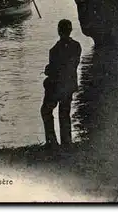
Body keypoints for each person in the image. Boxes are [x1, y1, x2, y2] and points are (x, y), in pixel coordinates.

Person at [40, 19, 81, 148]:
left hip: (56, 87)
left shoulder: (54, 50)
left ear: (59, 31)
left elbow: (54, 70)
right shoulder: (77, 46)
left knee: (46, 111)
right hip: (69, 85)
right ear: (70, 31)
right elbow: (72, 65)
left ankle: (52, 141)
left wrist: (47, 70)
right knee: (64, 112)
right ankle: (67, 141)